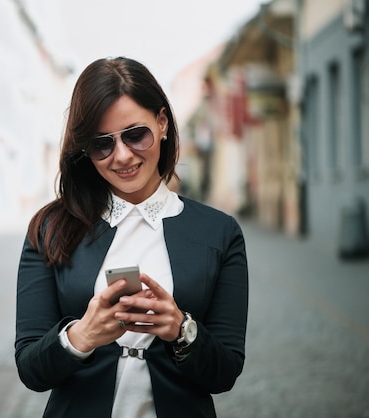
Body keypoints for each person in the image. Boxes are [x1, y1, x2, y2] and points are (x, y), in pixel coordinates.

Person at [15, 57, 248, 417]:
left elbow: (225, 373)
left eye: (135, 135)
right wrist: (81, 336)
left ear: (162, 122)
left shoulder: (220, 232)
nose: (122, 156)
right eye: (101, 144)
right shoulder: (50, 229)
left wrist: (180, 329)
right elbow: (31, 370)